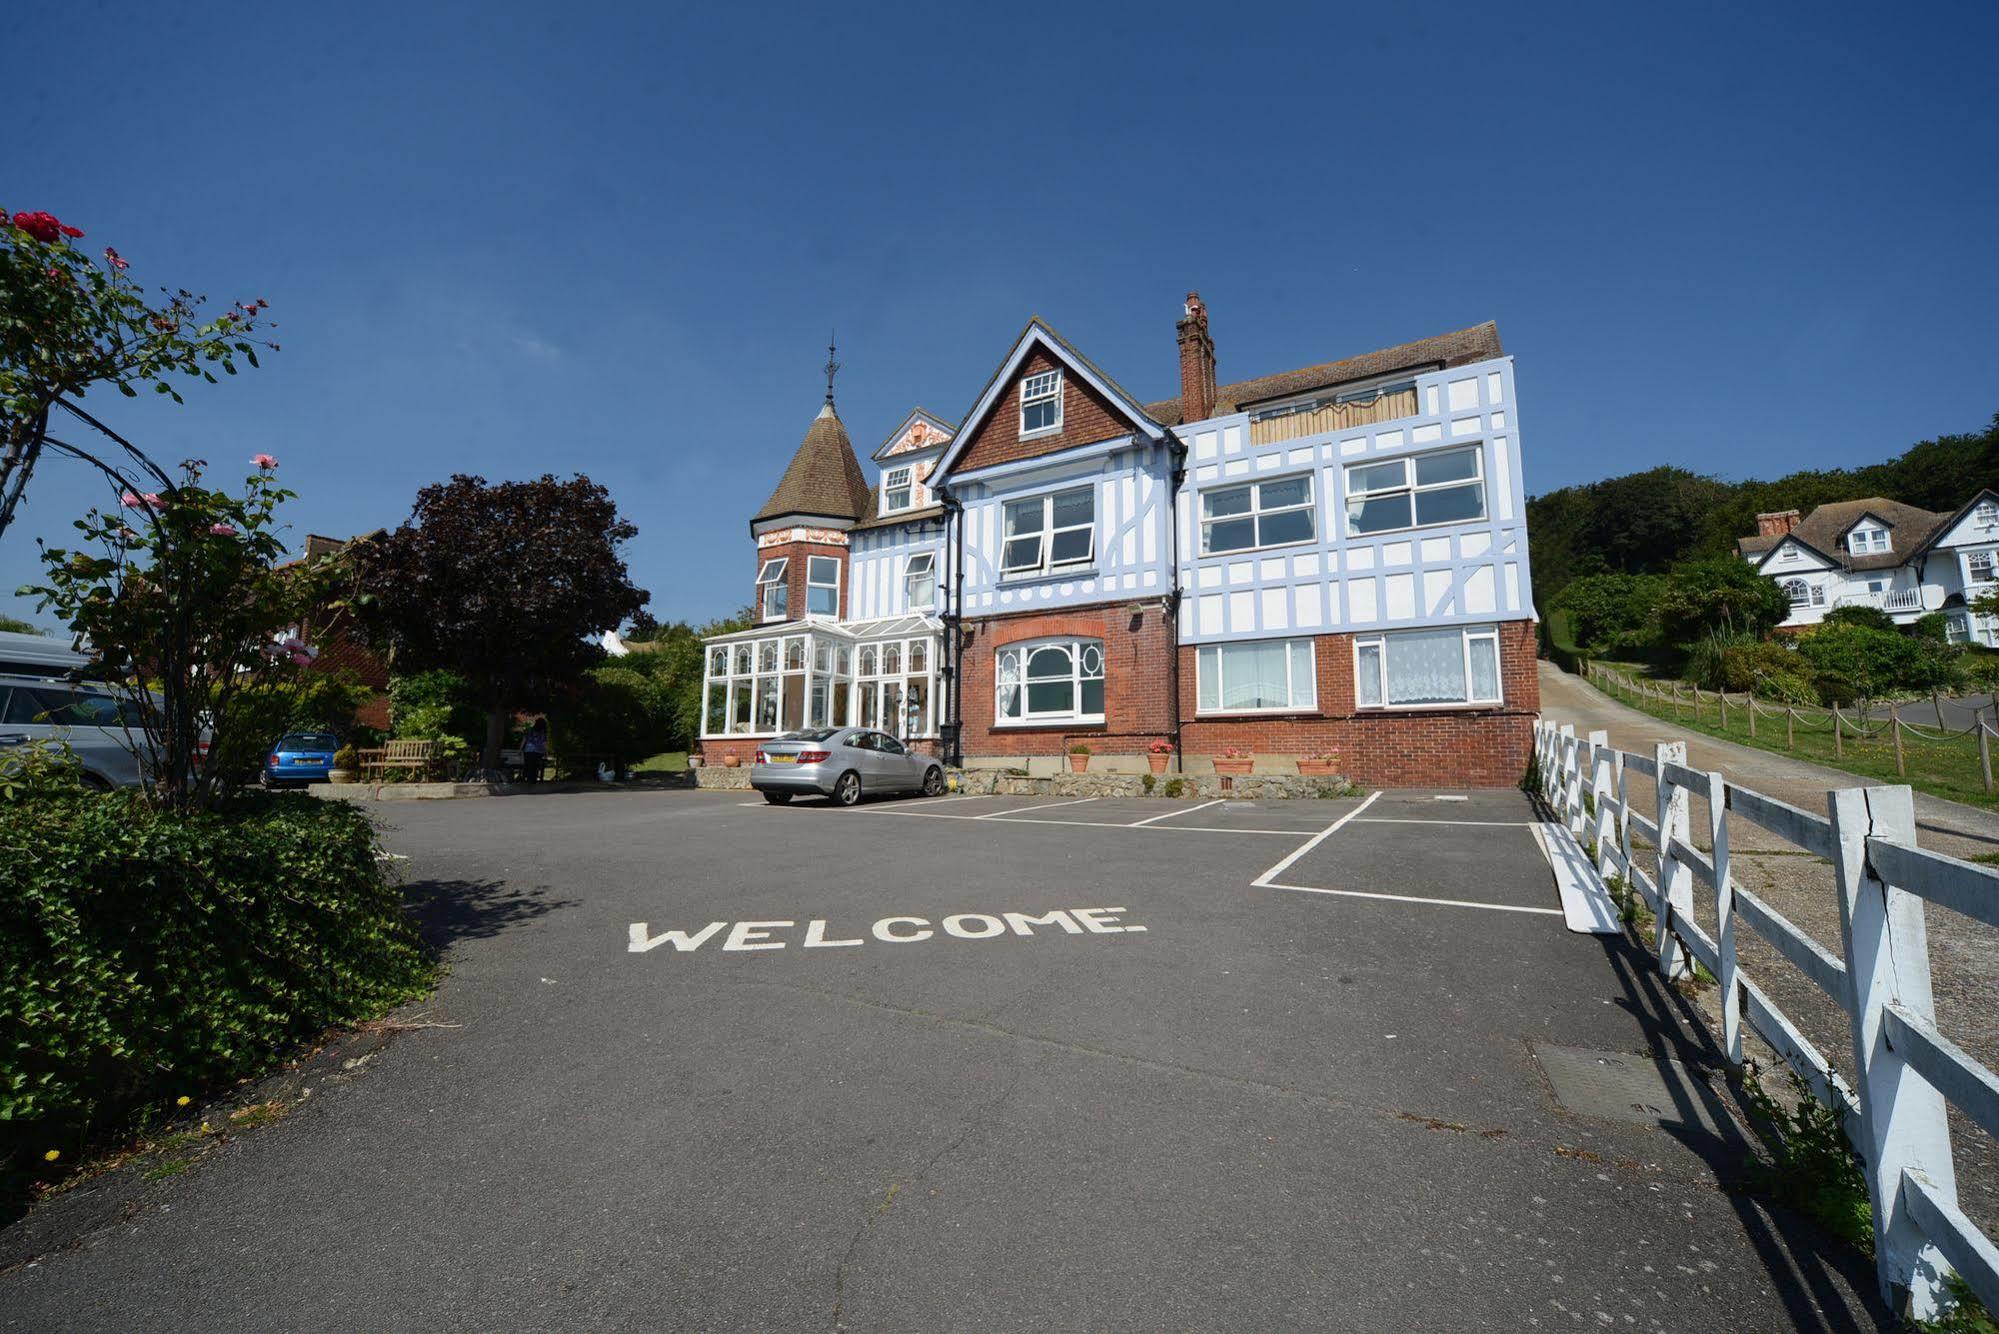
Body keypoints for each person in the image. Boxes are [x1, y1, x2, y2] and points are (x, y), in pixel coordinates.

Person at [521, 718, 548, 783]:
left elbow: (524, 740)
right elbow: (544, 743)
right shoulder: (543, 732)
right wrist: (546, 752)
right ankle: (533, 779)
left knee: (528, 764)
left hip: (528, 750)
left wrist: (520, 749)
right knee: (535, 766)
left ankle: (527, 778)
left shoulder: (529, 730)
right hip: (538, 751)